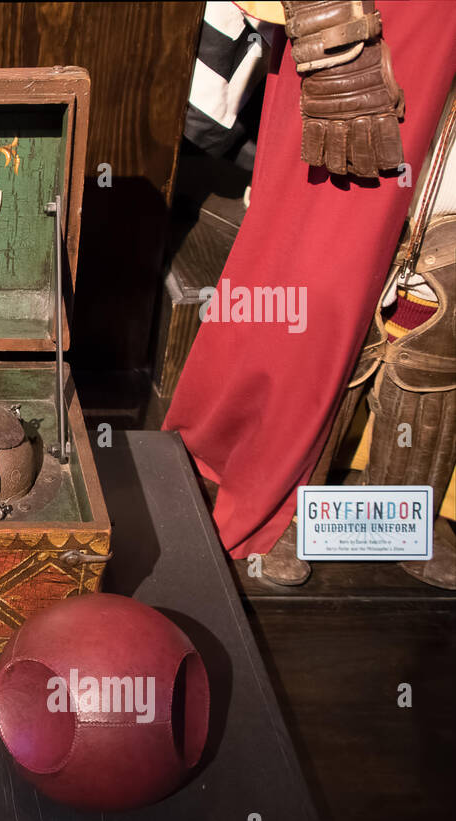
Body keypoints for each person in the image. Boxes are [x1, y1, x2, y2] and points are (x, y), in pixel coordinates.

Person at [165, 1, 456, 585]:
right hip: (368, 42)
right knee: (320, 286)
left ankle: (401, 514)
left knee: (440, 300)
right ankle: (295, 495)